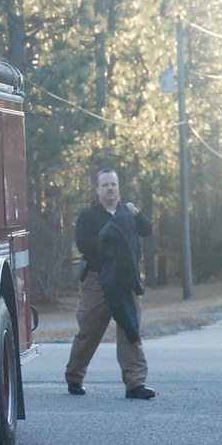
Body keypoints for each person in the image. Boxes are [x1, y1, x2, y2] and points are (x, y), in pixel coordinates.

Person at [64, 169, 156, 399]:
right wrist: (113, 246)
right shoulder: (89, 215)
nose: (110, 188)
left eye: (113, 184)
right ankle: (74, 376)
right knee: (89, 331)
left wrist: (136, 214)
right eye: (105, 185)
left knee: (130, 330)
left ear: (119, 187)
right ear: (97, 189)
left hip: (126, 279)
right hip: (98, 280)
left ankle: (135, 383)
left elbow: (147, 230)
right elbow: (83, 243)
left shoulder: (128, 214)